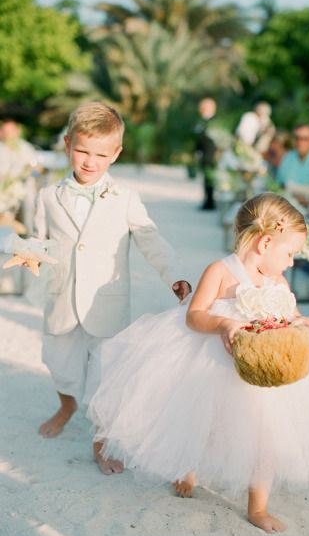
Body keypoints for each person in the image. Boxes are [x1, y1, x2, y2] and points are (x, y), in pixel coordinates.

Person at [87, 193, 309, 533]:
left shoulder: (278, 281)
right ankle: (188, 466)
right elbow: (193, 316)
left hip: (264, 373)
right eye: (290, 253)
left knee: (266, 434)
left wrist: (303, 323)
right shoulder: (221, 272)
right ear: (265, 242)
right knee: (205, 424)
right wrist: (223, 323)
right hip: (215, 366)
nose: (292, 263)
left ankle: (258, 507)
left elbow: (291, 315)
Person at [5, 101, 191, 440]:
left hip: (107, 301)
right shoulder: (48, 196)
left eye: (101, 155)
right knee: (59, 361)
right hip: (62, 296)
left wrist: (173, 274)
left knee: (107, 370)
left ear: (116, 153)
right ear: (67, 145)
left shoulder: (125, 197)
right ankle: (67, 404)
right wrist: (24, 249)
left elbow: (150, 238)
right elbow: (40, 239)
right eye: (83, 151)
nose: (90, 162)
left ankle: (102, 436)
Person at [194, 97, 218, 210]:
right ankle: (207, 200)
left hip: (211, 154)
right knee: (206, 178)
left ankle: (210, 202)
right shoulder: (203, 121)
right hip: (204, 153)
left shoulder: (214, 121)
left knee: (210, 178)